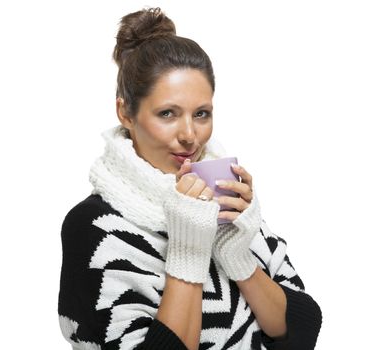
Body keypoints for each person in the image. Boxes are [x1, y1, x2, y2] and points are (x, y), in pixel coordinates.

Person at [57, 7, 322, 350]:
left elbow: (302, 331)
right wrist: (188, 249)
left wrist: (237, 256)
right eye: (167, 113)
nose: (189, 135)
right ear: (126, 112)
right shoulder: (95, 227)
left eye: (201, 114)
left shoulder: (229, 202)